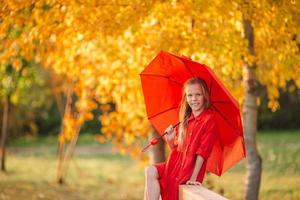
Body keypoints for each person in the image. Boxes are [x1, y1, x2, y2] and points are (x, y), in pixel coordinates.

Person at [144, 77, 219, 200]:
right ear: (186, 97)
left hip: (187, 170)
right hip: (173, 165)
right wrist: (170, 140)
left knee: (170, 189)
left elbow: (203, 152)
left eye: (198, 95)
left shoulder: (208, 119)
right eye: (190, 95)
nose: (193, 99)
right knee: (149, 171)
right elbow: (176, 149)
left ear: (204, 95)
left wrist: (193, 178)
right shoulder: (185, 120)